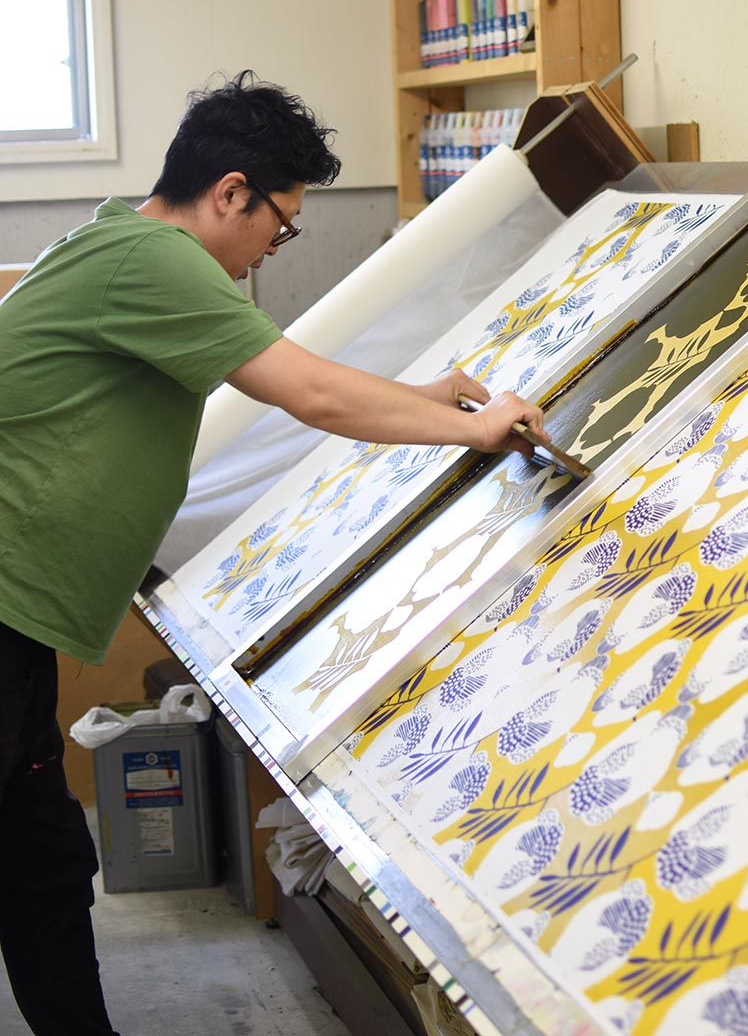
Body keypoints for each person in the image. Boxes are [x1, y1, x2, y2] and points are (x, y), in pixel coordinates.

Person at [0, 71, 545, 1036]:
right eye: (280, 226)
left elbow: (293, 383)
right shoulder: (157, 263)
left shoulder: (117, 242)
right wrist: (475, 428)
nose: (269, 250)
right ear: (231, 193)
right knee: (30, 856)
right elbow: (311, 395)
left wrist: (426, 399)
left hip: (16, 617)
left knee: (39, 859)